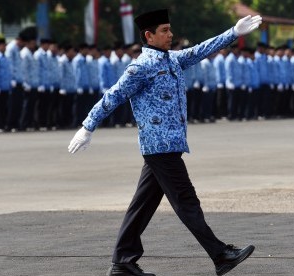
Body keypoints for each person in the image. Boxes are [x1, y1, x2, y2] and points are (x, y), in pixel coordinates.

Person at [68, 9, 261, 276]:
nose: (170, 35)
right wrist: (87, 126)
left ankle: (122, 262)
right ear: (149, 35)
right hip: (159, 146)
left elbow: (199, 50)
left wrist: (233, 33)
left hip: (169, 145)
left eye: (170, 29)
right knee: (186, 201)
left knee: (143, 205)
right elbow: (113, 96)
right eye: (164, 31)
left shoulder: (171, 60)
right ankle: (220, 255)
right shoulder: (141, 67)